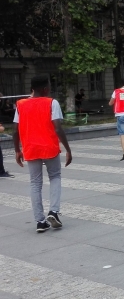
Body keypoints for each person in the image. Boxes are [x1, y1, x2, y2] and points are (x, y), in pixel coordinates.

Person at [13, 75, 73, 233]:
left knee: (35, 183)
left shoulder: (20, 104)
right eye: (49, 86)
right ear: (45, 89)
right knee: (55, 176)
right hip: (49, 147)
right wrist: (68, 149)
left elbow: (15, 130)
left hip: (31, 148)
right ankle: (53, 211)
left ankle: (40, 221)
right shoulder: (51, 102)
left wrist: (17, 150)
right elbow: (58, 128)